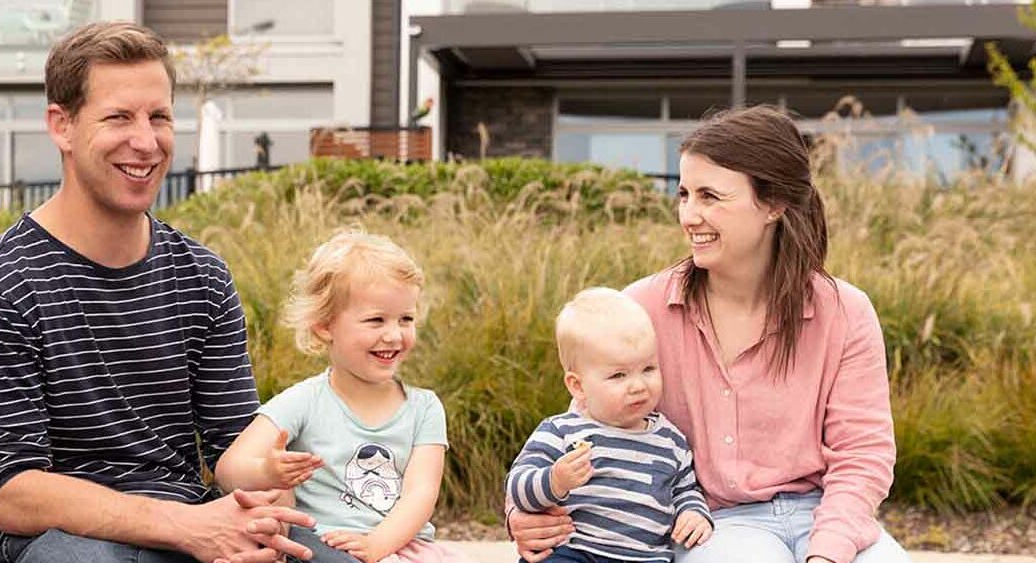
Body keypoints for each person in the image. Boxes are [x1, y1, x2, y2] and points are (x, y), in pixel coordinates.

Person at [0, 22, 314, 563]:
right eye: (119, 117)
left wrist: (262, 512)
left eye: (160, 117)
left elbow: (238, 451)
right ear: (63, 126)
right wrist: (188, 528)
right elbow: (13, 492)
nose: (145, 142)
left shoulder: (203, 276)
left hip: (192, 522)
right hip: (58, 541)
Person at [507, 106, 911, 563]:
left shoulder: (845, 311)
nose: (688, 216)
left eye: (710, 197)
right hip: (716, 523)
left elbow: (862, 456)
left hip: (826, 513)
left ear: (774, 204)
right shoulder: (642, 307)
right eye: (684, 194)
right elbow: (586, 425)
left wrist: (829, 552)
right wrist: (523, 513)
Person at [215, 231, 469, 563]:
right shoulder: (303, 401)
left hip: (398, 544)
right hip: (326, 545)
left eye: (406, 319)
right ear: (325, 327)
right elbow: (227, 469)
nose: (394, 335)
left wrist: (377, 546)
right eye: (376, 320)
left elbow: (421, 494)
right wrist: (267, 471)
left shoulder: (424, 408)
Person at [506, 288, 713, 563]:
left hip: (645, 558)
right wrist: (555, 480)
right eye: (618, 375)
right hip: (575, 552)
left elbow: (685, 490)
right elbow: (518, 487)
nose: (638, 386)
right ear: (577, 386)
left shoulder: (670, 440)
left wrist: (693, 513)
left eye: (648, 369)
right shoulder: (562, 432)